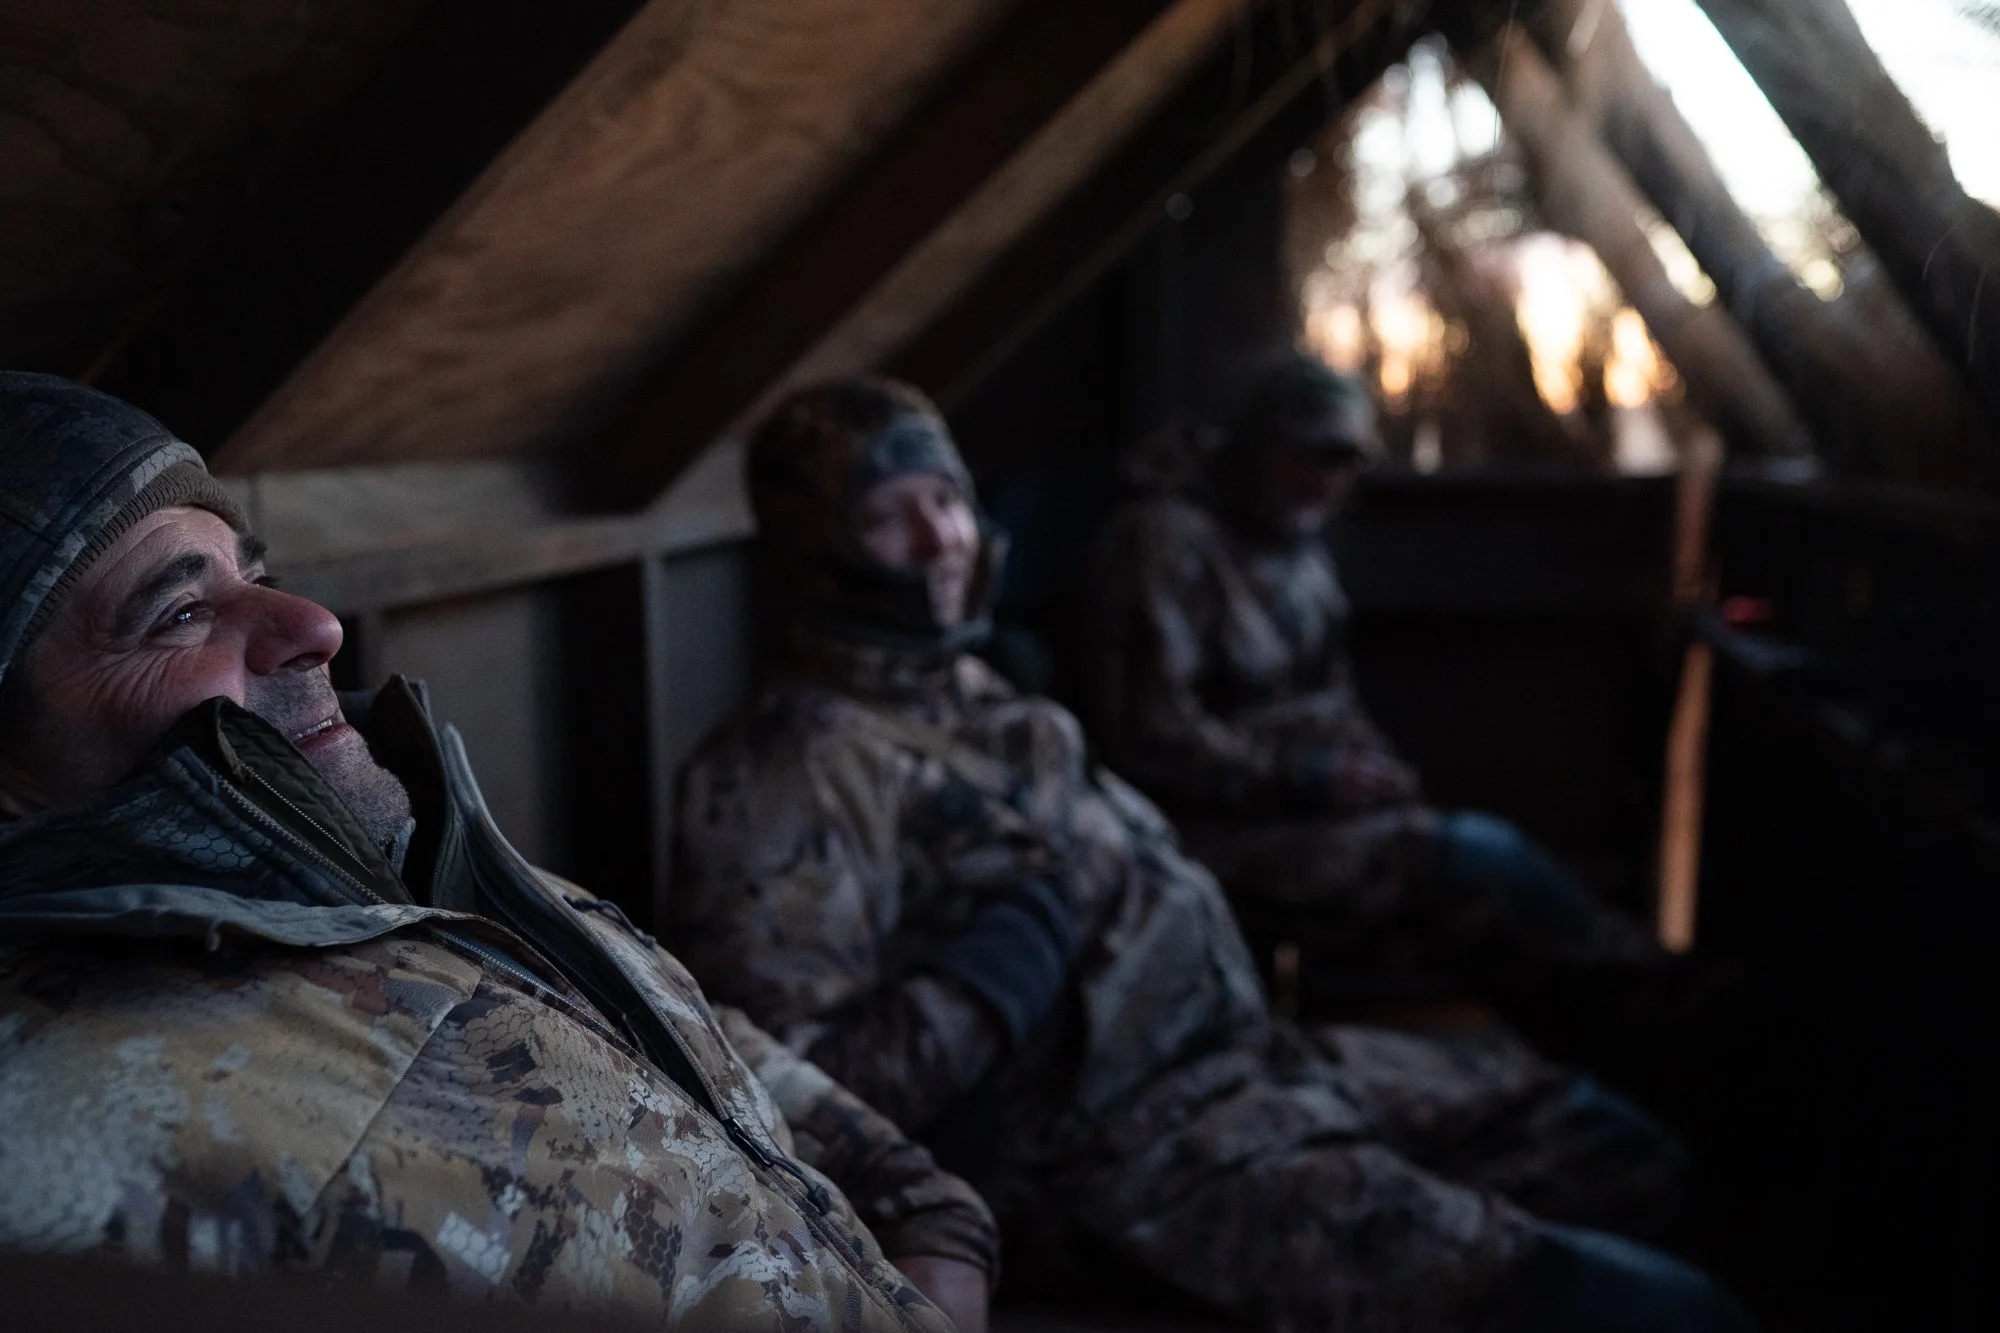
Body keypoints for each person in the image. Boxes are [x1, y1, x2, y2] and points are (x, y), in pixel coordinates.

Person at [669, 377, 1754, 1333]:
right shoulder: (782, 769)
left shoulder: (985, 695)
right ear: (817, 550)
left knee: (1619, 1152)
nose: (942, 539)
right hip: (1135, 1167)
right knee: (1640, 1306)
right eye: (888, 517)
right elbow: (792, 1095)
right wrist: (992, 971)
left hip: (1248, 1066)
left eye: (946, 500)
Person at [0, 373, 995, 1333]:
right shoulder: (70, 1149)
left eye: (254, 576)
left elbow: (703, 1034)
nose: (314, 624)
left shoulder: (423, 866)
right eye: (179, 614)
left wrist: (936, 1223)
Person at [1075, 353, 1677, 1018]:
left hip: (1299, 813)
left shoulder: (1292, 548)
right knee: (1481, 859)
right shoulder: (1163, 542)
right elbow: (1149, 735)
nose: (1326, 481)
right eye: (1309, 457)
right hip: (1202, 832)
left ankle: (1630, 1009)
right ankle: (1648, 992)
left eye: (1343, 463)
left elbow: (1329, 694)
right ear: (1257, 449)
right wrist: (1304, 778)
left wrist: (1368, 770)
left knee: (1482, 888)